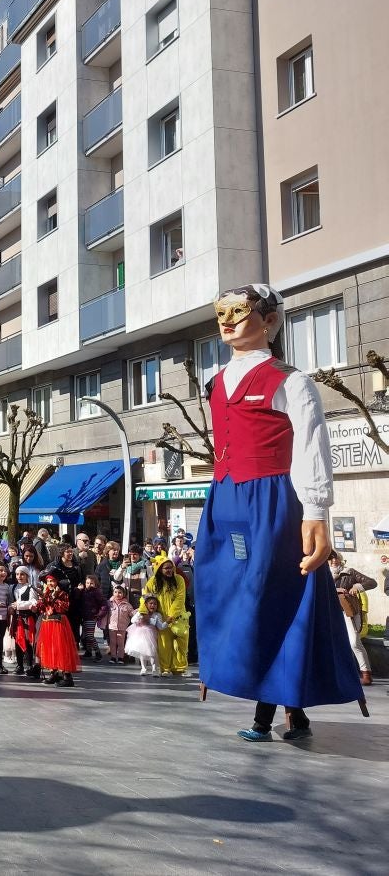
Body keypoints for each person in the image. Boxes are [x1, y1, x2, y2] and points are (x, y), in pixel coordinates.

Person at [195, 284, 366, 741]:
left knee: (272, 599)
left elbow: (312, 447)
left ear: (269, 320)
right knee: (223, 595)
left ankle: (274, 710)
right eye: (221, 312)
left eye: (239, 311)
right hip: (225, 498)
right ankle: (273, 699)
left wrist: (316, 512)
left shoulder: (290, 380)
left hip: (272, 502)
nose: (227, 320)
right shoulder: (214, 382)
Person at [331, 553, 377, 686]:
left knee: (354, 643)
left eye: (336, 558)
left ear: (341, 559)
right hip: (331, 614)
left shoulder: (349, 572)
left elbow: (372, 582)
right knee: (335, 644)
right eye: (331, 558)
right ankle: (342, 674)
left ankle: (366, 673)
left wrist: (357, 587)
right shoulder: (324, 575)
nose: (334, 560)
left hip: (349, 612)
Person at [144, 560, 189, 676]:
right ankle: (165, 669)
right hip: (162, 618)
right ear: (160, 569)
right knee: (164, 645)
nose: (169, 570)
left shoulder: (179, 579)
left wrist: (172, 615)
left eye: (171, 567)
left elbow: (180, 598)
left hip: (178, 617)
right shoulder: (153, 581)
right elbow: (145, 597)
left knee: (181, 644)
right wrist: (143, 611)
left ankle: (179, 668)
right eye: (166, 568)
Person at [35, 573, 79, 687]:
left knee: (61, 648)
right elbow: (41, 608)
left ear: (57, 582)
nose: (50, 583)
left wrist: (54, 597)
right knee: (50, 648)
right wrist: (42, 600)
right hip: (47, 624)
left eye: (53, 581)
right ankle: (54, 673)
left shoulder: (62, 594)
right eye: (49, 581)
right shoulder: (46, 594)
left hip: (58, 624)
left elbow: (63, 607)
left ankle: (67, 676)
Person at [8, 569, 41, 679]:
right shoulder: (13, 588)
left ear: (27, 576)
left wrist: (19, 605)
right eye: (17, 574)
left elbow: (33, 602)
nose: (19, 576)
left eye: (22, 574)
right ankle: (19, 664)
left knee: (28, 641)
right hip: (17, 618)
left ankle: (30, 665)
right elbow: (10, 601)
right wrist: (11, 607)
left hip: (27, 618)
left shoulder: (30, 588)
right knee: (17, 640)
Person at [126, 595, 167, 676]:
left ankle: (154, 668)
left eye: (155, 604)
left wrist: (167, 622)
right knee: (142, 652)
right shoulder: (140, 612)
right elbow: (133, 620)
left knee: (152, 653)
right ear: (146, 604)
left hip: (151, 635)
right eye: (150, 603)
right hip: (140, 634)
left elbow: (161, 627)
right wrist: (139, 615)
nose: (152, 605)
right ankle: (143, 668)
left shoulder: (157, 615)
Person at [78, 573, 107, 662]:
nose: (89, 585)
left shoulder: (96, 592)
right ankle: (88, 651)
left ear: (95, 584)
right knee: (87, 635)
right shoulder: (84, 591)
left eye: (91, 583)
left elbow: (103, 604)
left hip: (92, 616)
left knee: (90, 636)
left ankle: (98, 653)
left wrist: (99, 614)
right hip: (85, 616)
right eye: (87, 583)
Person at [105, 585, 135, 664]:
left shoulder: (127, 605)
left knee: (121, 643)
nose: (117, 594)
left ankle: (121, 657)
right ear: (113, 593)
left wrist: (138, 613)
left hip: (122, 627)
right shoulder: (109, 603)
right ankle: (113, 657)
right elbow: (104, 611)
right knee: (112, 642)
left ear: (124, 594)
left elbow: (132, 613)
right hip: (112, 626)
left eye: (120, 592)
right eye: (115, 592)